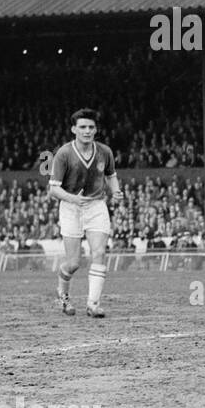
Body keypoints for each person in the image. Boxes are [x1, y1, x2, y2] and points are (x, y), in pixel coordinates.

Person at [48, 108, 122, 318]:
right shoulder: (64, 153)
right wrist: (73, 199)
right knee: (73, 263)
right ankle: (62, 295)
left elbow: (111, 175)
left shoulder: (105, 152)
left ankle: (93, 304)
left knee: (99, 253)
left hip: (96, 206)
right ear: (74, 129)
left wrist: (116, 191)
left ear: (96, 129)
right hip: (71, 207)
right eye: (82, 127)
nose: (87, 131)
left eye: (91, 127)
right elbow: (53, 188)